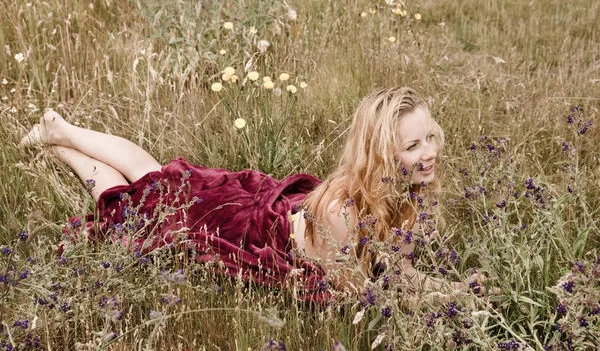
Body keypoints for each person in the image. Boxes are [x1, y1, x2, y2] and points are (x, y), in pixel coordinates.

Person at [20, 86, 472, 302]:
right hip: (248, 229)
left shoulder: (409, 189)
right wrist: (446, 299)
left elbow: (398, 267)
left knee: (158, 177)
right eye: (413, 146)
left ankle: (58, 141)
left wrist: (453, 289)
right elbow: (363, 294)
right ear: (379, 154)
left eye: (429, 137)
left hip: (286, 212)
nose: (430, 152)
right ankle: (64, 138)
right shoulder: (343, 213)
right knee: (145, 193)